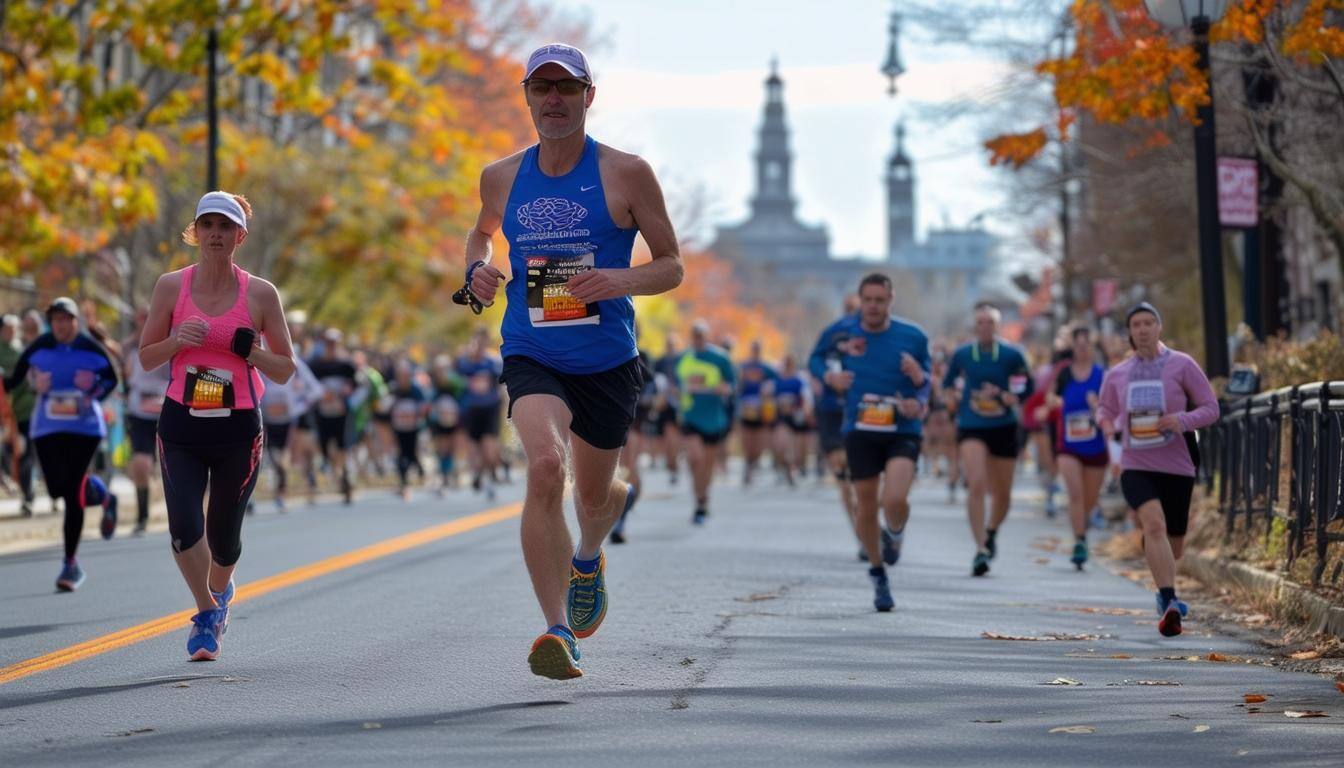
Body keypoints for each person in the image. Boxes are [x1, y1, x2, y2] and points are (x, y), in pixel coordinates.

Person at [462, 42, 682, 679]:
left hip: (608, 359)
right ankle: (558, 630)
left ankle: (589, 555)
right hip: (533, 348)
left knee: (595, 498)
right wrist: (476, 268)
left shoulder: (627, 172)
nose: (553, 99)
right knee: (544, 467)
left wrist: (617, 281)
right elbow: (482, 231)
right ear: (527, 96)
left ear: (589, 96)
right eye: (541, 88)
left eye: (566, 88)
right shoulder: (501, 175)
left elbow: (672, 266)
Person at [139, 190, 296, 660]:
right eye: (207, 225)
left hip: (238, 430)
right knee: (184, 529)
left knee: (224, 540)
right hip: (181, 425)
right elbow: (146, 358)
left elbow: (286, 369)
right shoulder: (171, 287)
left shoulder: (261, 293)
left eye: (225, 227)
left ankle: (220, 592)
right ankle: (208, 613)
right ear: (195, 232)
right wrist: (175, 341)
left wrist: (252, 352)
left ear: (239, 236)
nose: (215, 234)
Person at [1097, 303, 1217, 637]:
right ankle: (1169, 601)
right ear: (1130, 332)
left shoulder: (1182, 365)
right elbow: (1105, 410)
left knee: (1174, 545)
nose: (1144, 329)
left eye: (1149, 322)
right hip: (1136, 463)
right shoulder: (1117, 374)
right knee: (1153, 524)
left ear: (1159, 327)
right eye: (1137, 324)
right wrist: (1110, 428)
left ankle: (1164, 588)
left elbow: (1212, 408)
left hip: (1177, 463)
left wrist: (1182, 420)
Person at [817, 274, 930, 611]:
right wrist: (830, 376)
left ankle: (894, 532)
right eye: (868, 300)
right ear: (860, 299)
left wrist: (919, 394)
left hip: (902, 427)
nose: (873, 306)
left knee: (894, 500)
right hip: (860, 427)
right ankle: (878, 574)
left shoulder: (913, 335)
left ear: (890, 301)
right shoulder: (842, 332)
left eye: (880, 300)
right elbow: (815, 358)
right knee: (864, 503)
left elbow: (927, 377)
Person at [4, 298, 120, 590]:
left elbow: (113, 380)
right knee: (57, 487)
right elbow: (14, 381)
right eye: (54, 320)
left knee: (72, 493)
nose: (59, 325)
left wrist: (92, 389)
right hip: (47, 427)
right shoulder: (39, 346)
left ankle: (70, 564)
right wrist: (34, 384)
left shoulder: (90, 347)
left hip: (85, 428)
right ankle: (105, 497)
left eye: (64, 319)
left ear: (75, 322)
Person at [943, 302, 1032, 577]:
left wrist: (1010, 397)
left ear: (998, 326)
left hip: (1003, 426)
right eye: (980, 322)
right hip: (972, 425)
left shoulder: (1011, 354)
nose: (984, 327)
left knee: (1003, 494)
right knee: (977, 483)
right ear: (974, 325)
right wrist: (953, 400)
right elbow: (947, 383)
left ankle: (991, 531)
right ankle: (980, 548)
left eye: (989, 323)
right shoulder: (962, 354)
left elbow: (1027, 385)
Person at [1045, 327, 1109, 569]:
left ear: (1092, 348)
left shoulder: (1102, 375)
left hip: (1095, 445)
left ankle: (1083, 529)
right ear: (1073, 347)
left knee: (1090, 500)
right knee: (1075, 494)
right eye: (1078, 344)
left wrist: (1097, 407)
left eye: (1086, 344)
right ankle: (1079, 541)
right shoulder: (1064, 374)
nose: (1082, 348)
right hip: (1068, 444)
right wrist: (1056, 402)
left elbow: (1112, 407)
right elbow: (1050, 397)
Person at [809, 294, 862, 556]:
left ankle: (873, 525)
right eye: (848, 309)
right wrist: (828, 376)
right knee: (843, 474)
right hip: (832, 411)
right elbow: (814, 360)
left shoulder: (877, 334)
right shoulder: (832, 333)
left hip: (864, 410)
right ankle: (861, 536)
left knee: (865, 476)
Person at [676, 320, 735, 525]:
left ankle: (703, 499)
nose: (698, 339)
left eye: (701, 335)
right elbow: (675, 385)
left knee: (707, 464)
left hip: (713, 418)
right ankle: (699, 499)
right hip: (690, 414)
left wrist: (721, 388)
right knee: (695, 459)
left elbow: (732, 385)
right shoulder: (684, 358)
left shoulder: (720, 358)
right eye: (694, 335)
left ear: (707, 336)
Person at [122, 308, 171, 534]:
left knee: (176, 469)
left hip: (170, 413)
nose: (144, 323)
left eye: (149, 319)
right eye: (140, 320)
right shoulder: (130, 348)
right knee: (141, 465)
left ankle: (185, 515)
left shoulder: (173, 341)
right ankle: (142, 515)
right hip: (139, 414)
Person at [260, 352, 321, 511]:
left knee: (286, 460)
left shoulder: (296, 363)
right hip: (268, 421)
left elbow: (316, 390)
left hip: (290, 421)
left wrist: (299, 405)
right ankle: (280, 493)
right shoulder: (257, 357)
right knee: (275, 460)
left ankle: (284, 493)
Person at [610, 347, 656, 544]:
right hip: (607, 419)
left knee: (628, 469)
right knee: (614, 472)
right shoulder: (600, 348)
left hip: (634, 422)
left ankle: (621, 519)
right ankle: (615, 514)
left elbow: (653, 385)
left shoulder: (640, 356)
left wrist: (648, 401)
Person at [309, 329, 359, 504]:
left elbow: (358, 384)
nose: (331, 346)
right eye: (328, 342)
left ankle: (345, 477)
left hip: (341, 411)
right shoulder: (315, 365)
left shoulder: (346, 365)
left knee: (343, 444)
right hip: (322, 411)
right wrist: (318, 396)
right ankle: (336, 472)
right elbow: (307, 386)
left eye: (334, 342)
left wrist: (349, 390)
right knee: (325, 445)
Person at [456, 331, 505, 499]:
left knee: (489, 449)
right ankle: (477, 475)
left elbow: (502, 385)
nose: (476, 347)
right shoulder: (464, 364)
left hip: (490, 409)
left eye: (480, 344)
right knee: (473, 449)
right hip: (471, 410)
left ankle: (490, 476)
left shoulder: (493, 362)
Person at [736, 340, 778, 486]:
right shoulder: (743, 367)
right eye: (753, 349)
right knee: (747, 441)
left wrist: (768, 390)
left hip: (762, 408)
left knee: (760, 441)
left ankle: (754, 462)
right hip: (746, 407)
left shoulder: (767, 368)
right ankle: (748, 464)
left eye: (758, 349)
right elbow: (736, 386)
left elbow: (776, 383)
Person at [388, 358, 430, 500]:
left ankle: (421, 472)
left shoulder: (415, 389)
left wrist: (419, 415)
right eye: (400, 375)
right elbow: (385, 407)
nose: (403, 378)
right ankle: (404, 483)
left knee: (411, 453)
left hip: (413, 427)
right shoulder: (394, 389)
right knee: (401, 454)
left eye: (405, 375)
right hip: (398, 427)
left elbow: (424, 406)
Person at [770, 354, 813, 487]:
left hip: (797, 417)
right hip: (781, 418)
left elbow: (807, 399)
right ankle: (788, 469)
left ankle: (799, 465)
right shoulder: (776, 381)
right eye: (785, 363)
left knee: (798, 449)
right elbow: (769, 399)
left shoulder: (800, 381)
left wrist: (806, 412)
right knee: (781, 445)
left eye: (790, 363)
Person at [653, 334, 684, 483]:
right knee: (667, 437)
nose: (670, 347)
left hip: (680, 403)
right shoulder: (660, 362)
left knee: (675, 437)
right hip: (664, 403)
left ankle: (674, 464)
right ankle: (671, 465)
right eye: (668, 344)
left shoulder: (682, 360)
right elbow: (654, 381)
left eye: (672, 344)